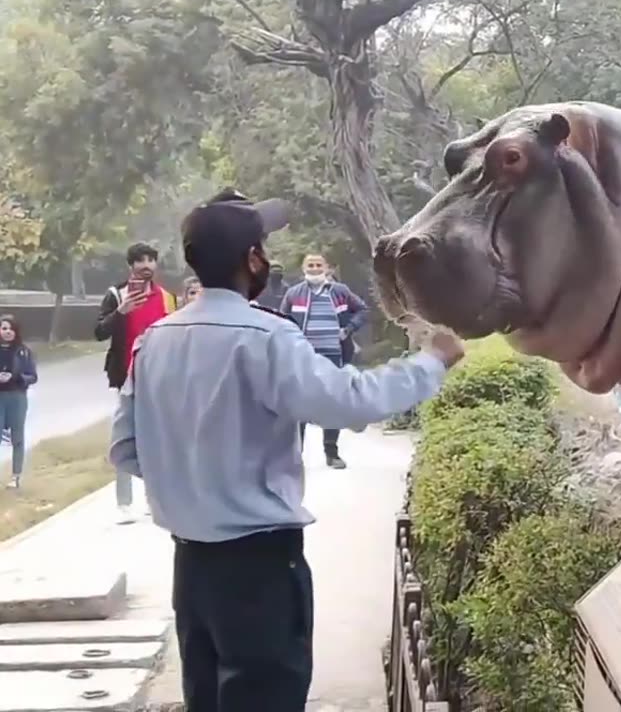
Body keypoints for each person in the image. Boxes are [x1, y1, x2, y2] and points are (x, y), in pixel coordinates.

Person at [107, 188, 464, 712]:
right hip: (260, 569)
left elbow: (125, 449)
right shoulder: (265, 337)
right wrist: (433, 361)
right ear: (252, 259)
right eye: (263, 247)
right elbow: (347, 402)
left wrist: (190, 480)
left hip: (192, 571)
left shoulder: (154, 340)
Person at [95, 242, 177, 523]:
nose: (146, 265)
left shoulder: (167, 297)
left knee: (157, 438)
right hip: (125, 376)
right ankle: (123, 503)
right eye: (140, 260)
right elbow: (98, 332)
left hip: (159, 375)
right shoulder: (115, 295)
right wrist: (122, 311)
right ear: (130, 266)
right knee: (125, 437)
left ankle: (153, 498)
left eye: (151, 260)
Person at [279, 253, 370, 469]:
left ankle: (332, 453)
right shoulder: (294, 294)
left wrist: (348, 329)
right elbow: (281, 320)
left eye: (318, 264)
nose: (314, 268)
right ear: (303, 268)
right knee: (299, 405)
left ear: (327, 268)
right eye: (310, 265)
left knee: (332, 403)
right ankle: (295, 456)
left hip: (333, 355)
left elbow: (363, 310)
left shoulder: (340, 292)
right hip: (303, 357)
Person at [0, 315, 36, 489]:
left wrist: (16, 377)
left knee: (17, 437)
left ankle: (15, 476)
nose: (7, 332)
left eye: (10, 329)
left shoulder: (23, 351)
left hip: (17, 396)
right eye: (4, 328)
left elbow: (33, 376)